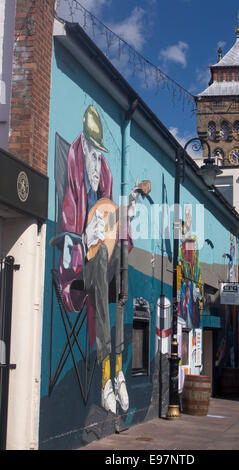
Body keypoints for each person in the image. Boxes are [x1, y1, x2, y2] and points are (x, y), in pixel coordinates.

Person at [58, 105, 138, 414]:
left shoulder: (103, 179)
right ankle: (107, 373)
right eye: (92, 156)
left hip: (103, 273)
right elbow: (66, 237)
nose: (96, 165)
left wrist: (126, 217)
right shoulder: (73, 181)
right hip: (80, 274)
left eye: (98, 157)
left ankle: (117, 371)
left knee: (119, 256)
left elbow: (116, 229)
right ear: (83, 152)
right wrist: (84, 238)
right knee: (103, 253)